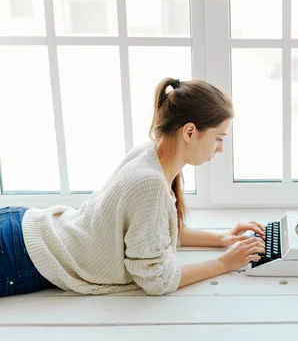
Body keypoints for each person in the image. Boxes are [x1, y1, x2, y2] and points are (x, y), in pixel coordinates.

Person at [0, 77, 266, 298]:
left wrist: (220, 239)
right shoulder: (150, 183)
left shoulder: (151, 155)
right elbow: (156, 280)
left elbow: (151, 231)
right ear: (189, 132)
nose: (220, 149)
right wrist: (224, 263)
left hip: (23, 229)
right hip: (18, 256)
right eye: (218, 138)